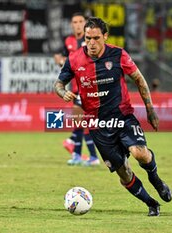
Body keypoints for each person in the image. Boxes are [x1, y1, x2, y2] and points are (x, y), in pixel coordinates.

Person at [54, 17, 172, 216]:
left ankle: (155, 179)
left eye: (96, 38)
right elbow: (58, 83)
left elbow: (140, 81)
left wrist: (150, 110)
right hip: (98, 125)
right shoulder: (74, 58)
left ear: (105, 37)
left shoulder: (118, 55)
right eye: (88, 38)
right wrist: (62, 92)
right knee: (124, 172)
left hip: (122, 116)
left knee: (139, 153)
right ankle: (151, 203)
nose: (91, 43)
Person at [54, 12, 99, 166]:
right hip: (75, 86)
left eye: (80, 21)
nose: (78, 24)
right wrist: (61, 61)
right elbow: (59, 57)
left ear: (85, 23)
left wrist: (68, 61)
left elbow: (88, 60)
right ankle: (77, 155)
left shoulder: (89, 41)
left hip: (88, 86)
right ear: (71, 24)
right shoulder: (68, 40)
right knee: (79, 122)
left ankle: (93, 157)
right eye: (75, 22)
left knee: (85, 122)